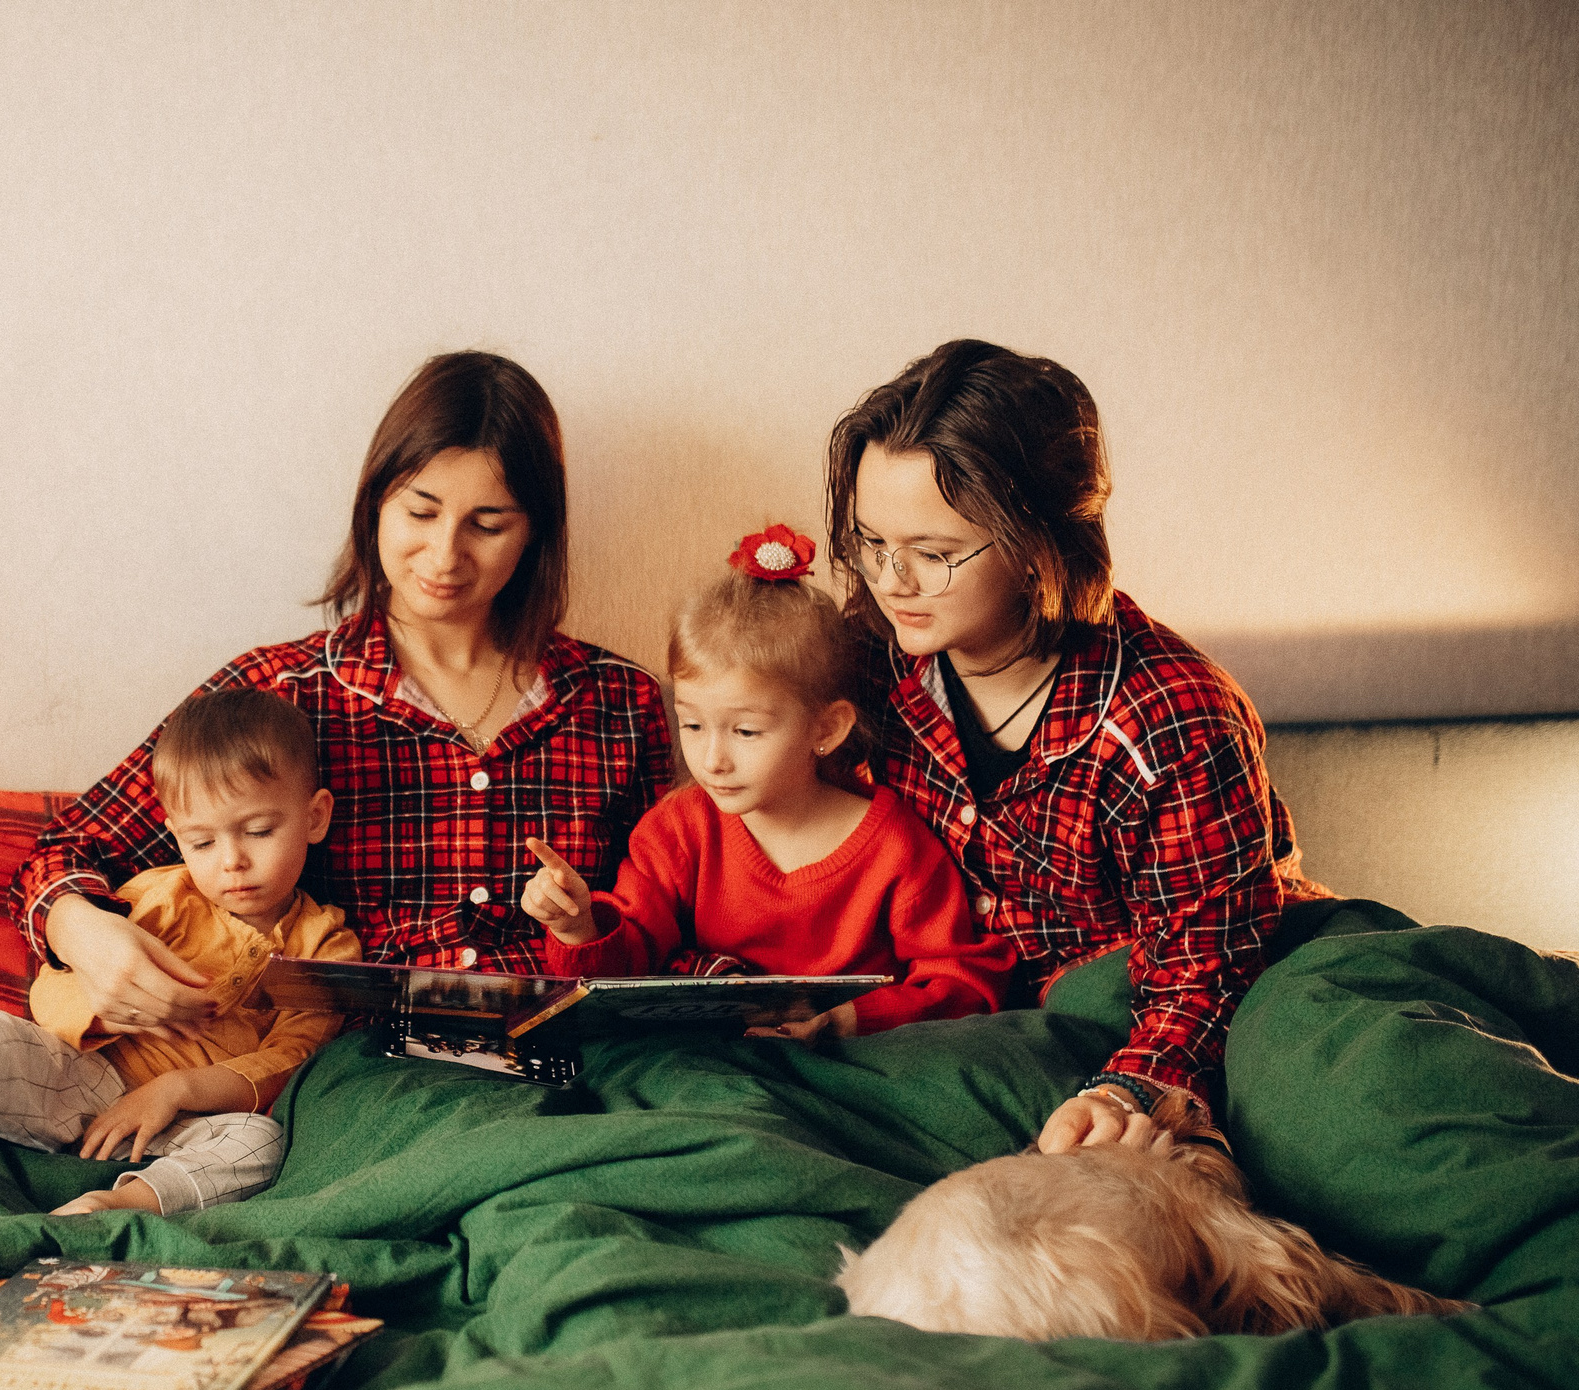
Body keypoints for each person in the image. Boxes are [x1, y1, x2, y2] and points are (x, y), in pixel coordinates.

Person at [15, 351, 672, 1035]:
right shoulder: (280, 693)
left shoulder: (620, 702)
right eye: (421, 512)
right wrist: (84, 934)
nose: (445, 555)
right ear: (375, 505)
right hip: (378, 1058)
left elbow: (676, 916)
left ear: (534, 533)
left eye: (487, 524)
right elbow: (65, 851)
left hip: (587, 1045)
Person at [824, 339, 1324, 1160]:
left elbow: (1204, 973)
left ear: (1037, 543)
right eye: (870, 542)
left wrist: (1127, 1091)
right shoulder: (873, 663)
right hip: (983, 1025)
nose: (890, 579)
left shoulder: (1171, 719)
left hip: (1188, 1005)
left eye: (934, 554)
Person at [0, 690, 361, 1217]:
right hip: (81, 1077)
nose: (232, 861)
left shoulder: (325, 945)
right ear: (175, 835)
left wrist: (178, 1089)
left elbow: (292, 1057)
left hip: (191, 1123)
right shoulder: (162, 897)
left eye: (259, 831)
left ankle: (118, 1205)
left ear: (314, 817)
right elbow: (52, 990)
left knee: (260, 1144)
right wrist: (104, 1010)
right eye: (203, 842)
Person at [520, 530, 1015, 1037]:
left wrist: (846, 1020)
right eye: (692, 725)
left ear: (826, 729)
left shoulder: (895, 844)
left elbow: (959, 983)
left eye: (746, 731)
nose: (712, 760)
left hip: (855, 1056)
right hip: (718, 1058)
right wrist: (578, 926)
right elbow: (626, 970)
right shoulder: (677, 830)